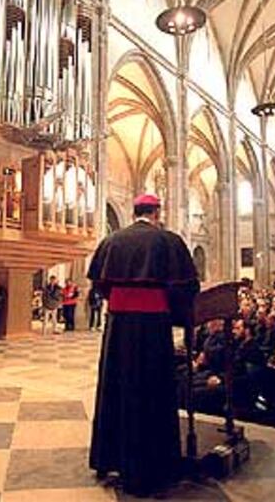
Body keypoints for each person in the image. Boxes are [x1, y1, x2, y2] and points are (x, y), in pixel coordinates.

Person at [87, 193, 199, 497]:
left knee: (117, 387)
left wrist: (123, 300)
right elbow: (187, 287)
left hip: (118, 327)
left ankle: (110, 459)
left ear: (136, 211)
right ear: (156, 211)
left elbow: (99, 283)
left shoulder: (111, 241)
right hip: (152, 328)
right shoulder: (168, 241)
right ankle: (153, 464)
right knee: (151, 389)